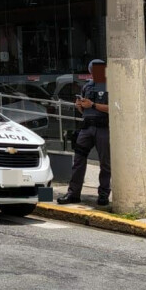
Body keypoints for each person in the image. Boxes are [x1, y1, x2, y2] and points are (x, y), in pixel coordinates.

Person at [59, 59, 111, 206]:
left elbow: (113, 108)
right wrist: (80, 106)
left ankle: (103, 194)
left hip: (103, 128)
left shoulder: (110, 85)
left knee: (105, 163)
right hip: (86, 128)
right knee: (78, 160)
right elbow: (84, 111)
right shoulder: (87, 87)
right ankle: (73, 194)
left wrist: (93, 104)